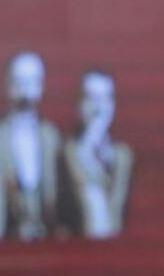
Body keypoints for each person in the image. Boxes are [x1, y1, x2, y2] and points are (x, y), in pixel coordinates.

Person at [0, 51, 61, 242]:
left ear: (41, 86)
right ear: (6, 86)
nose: (25, 92)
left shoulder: (51, 137)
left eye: (32, 83)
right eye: (18, 83)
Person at [57, 69, 134, 239]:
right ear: (78, 104)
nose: (99, 108)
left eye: (105, 99)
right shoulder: (66, 151)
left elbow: (113, 222)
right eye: (91, 99)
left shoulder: (122, 157)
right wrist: (87, 148)